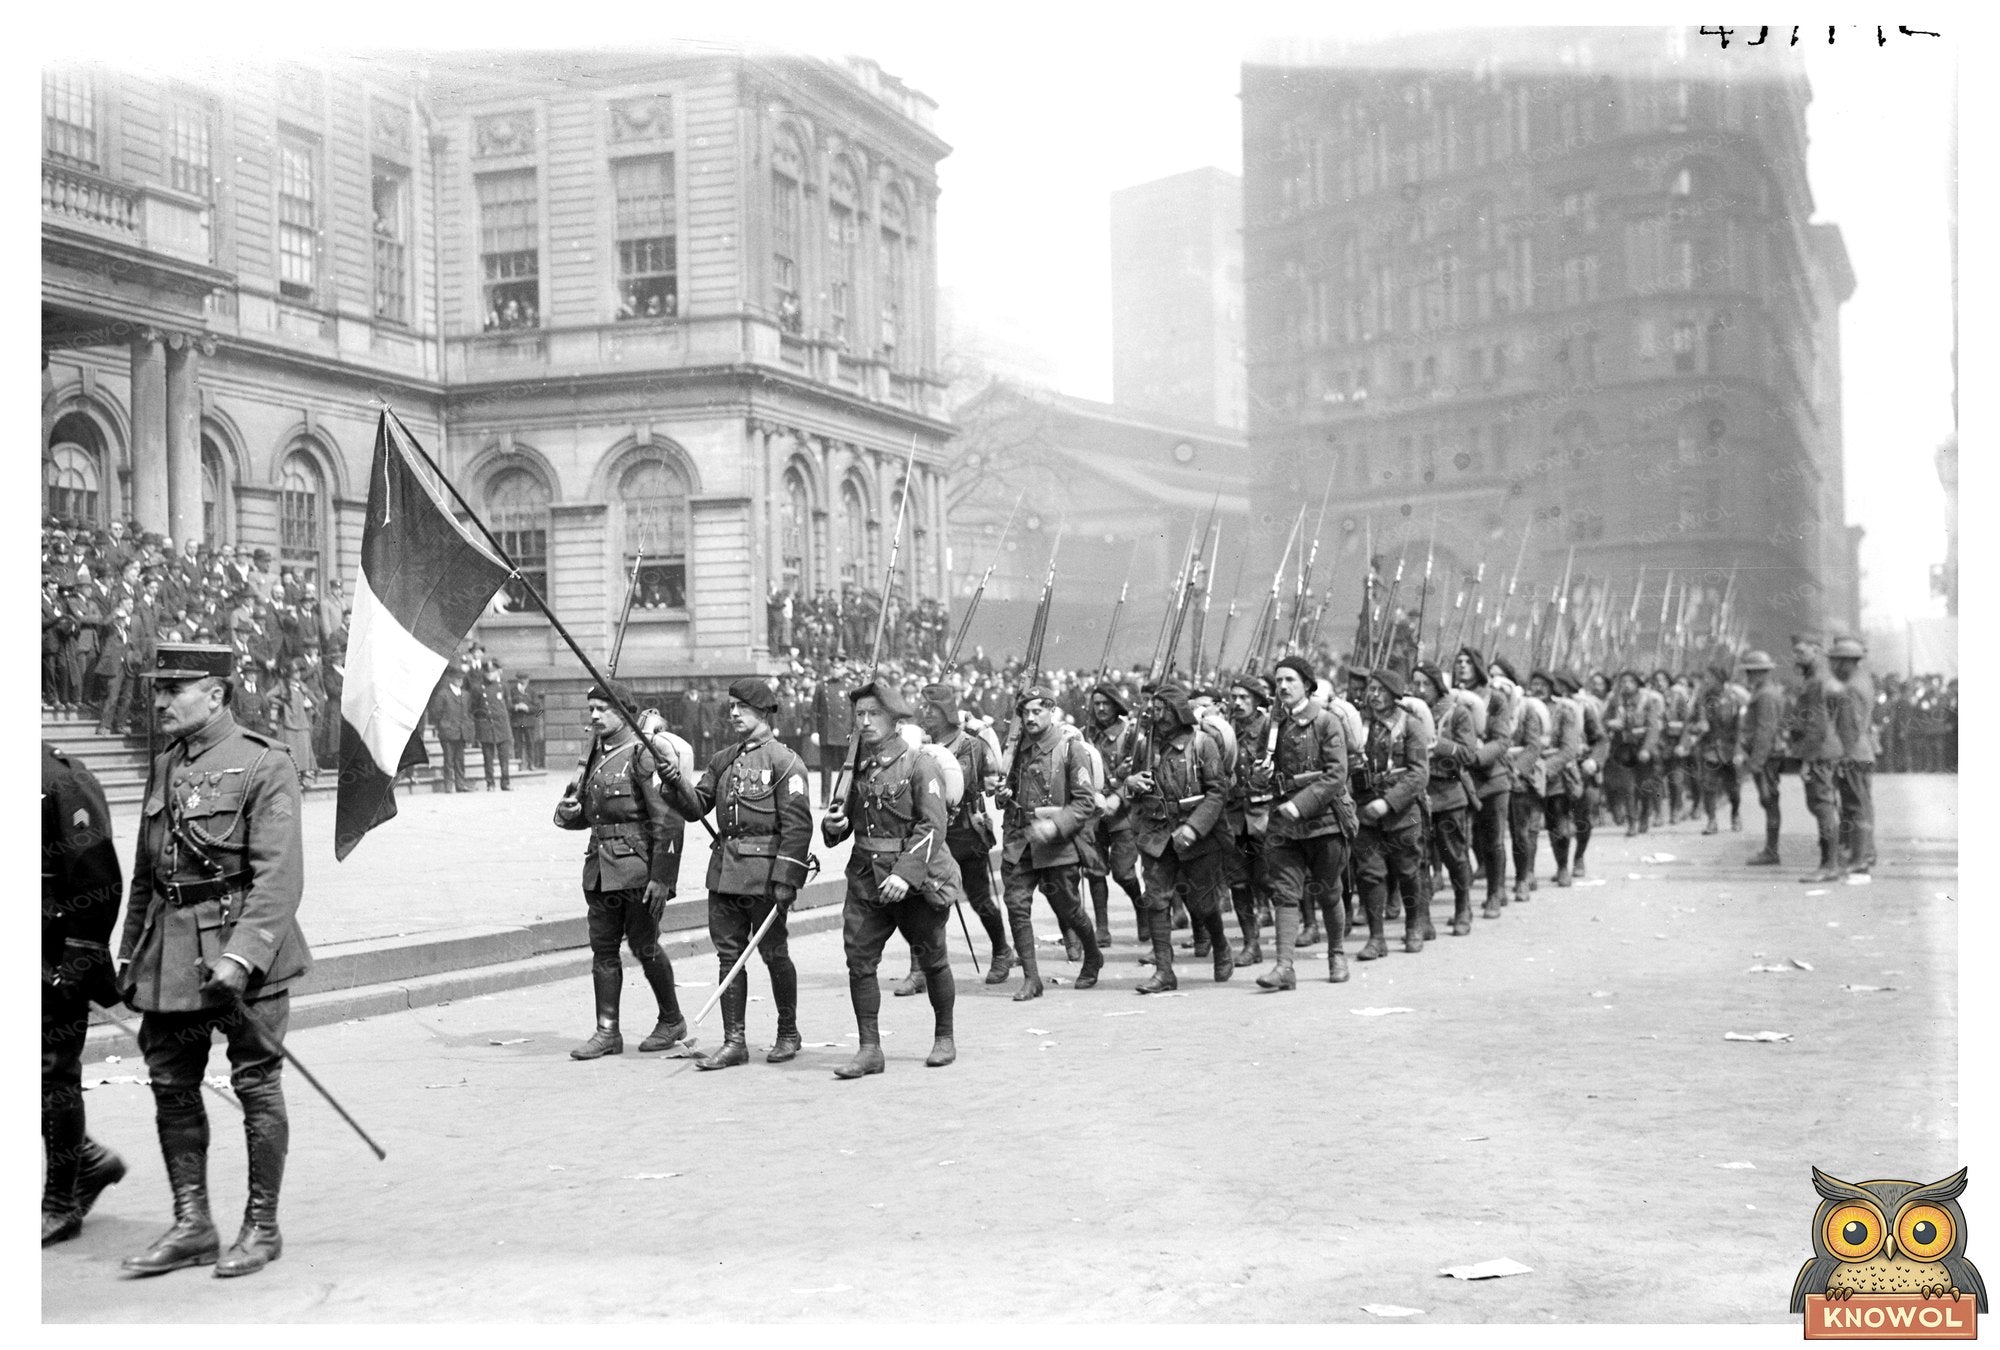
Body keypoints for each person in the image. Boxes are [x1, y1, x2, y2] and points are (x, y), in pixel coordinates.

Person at [116, 642, 311, 1278]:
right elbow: (148, 872)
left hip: (245, 951)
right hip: (169, 953)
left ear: (217, 694)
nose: (160, 701)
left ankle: (262, 1225)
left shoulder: (264, 761)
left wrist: (242, 957)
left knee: (256, 1084)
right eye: (156, 689)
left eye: (174, 690)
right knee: (172, 1085)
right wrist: (129, 954)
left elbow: (278, 875)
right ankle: (193, 1223)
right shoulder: (167, 763)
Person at [646, 678, 811, 1069]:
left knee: (774, 954)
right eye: (731, 706)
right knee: (728, 957)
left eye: (743, 706)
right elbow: (696, 806)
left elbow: (798, 826)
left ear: (765, 711)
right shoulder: (723, 759)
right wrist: (674, 782)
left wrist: (787, 879)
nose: (734, 713)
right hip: (724, 873)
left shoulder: (785, 762)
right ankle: (734, 1041)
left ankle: (788, 1032)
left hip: (765, 875)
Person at [819, 680, 962, 1075]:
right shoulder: (856, 766)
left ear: (895, 719)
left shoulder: (920, 764)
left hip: (913, 881)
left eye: (874, 714)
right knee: (859, 962)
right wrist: (832, 825)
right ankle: (869, 1049)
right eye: (860, 715)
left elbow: (932, 827)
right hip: (867, 878)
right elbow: (840, 824)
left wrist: (905, 874)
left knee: (933, 959)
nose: (864, 722)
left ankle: (944, 1037)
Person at [554, 680, 687, 1059]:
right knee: (603, 950)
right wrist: (570, 814)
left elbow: (669, 821)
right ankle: (607, 1032)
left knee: (645, 946)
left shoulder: (643, 754)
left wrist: (663, 878)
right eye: (591, 709)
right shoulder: (595, 755)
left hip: (638, 872)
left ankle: (672, 1019)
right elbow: (593, 814)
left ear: (624, 712)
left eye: (603, 708)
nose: (595, 716)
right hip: (599, 869)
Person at [43, 741, 128, 1246]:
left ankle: (60, 1202)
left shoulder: (60, 780)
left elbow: (98, 877)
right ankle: (90, 1159)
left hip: (54, 955)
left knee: (53, 1072)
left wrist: (75, 963)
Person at [1122, 682, 1234, 992]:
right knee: (1156, 900)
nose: (1158, 717)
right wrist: (1131, 783)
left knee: (1203, 903)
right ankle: (1164, 971)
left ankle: (1221, 945)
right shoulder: (1145, 747)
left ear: (1178, 712)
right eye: (1154, 711)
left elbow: (1217, 793)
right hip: (1157, 834)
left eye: (1164, 710)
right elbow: (1129, 789)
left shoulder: (1203, 744)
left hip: (1197, 836)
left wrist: (1193, 828)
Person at [994, 683, 1103, 1000]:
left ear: (1051, 712)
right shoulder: (1015, 749)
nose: (1030, 717)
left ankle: (1093, 955)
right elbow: (1007, 792)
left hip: (1058, 844)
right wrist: (1003, 796)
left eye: (1037, 711)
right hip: (1020, 839)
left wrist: (1055, 828)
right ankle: (1031, 978)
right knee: (1016, 906)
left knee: (1067, 907)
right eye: (1025, 712)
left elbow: (1085, 803)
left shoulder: (1071, 749)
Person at [1253, 655, 1355, 987]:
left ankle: (1336, 954)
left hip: (1324, 820)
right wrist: (1258, 776)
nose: (1282, 686)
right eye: (1278, 681)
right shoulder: (1272, 725)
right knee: (1284, 893)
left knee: (1328, 891)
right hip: (1284, 824)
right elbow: (1259, 772)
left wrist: (1300, 805)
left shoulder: (1327, 722)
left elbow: (1336, 775)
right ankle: (1284, 967)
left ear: (1307, 686)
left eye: (1290, 680)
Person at [903, 684, 1015, 987]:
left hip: (964, 832)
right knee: (922, 902)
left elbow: (958, 782)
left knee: (979, 898)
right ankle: (919, 970)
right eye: (924, 707)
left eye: (932, 708)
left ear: (947, 712)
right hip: (929, 832)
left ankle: (1002, 951)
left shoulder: (969, 745)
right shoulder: (918, 745)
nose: (925, 713)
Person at [1352, 668, 1430, 957]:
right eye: (1370, 689)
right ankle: (1376, 938)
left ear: (1394, 694)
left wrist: (1388, 801)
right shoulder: (1359, 724)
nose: (1372, 695)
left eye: (1379, 690)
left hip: (1405, 812)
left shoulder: (1411, 725)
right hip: (1366, 811)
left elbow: (1419, 774)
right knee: (1370, 874)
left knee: (1408, 870)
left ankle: (1413, 927)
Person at [1081, 682, 1147, 949]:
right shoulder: (1087, 735)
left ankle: (1142, 910)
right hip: (1095, 815)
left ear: (1116, 705)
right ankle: (1102, 928)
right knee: (1095, 872)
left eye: (1105, 703)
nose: (1100, 708)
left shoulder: (1130, 736)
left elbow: (1136, 774)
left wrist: (1117, 797)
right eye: (1096, 703)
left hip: (1123, 814)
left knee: (1123, 872)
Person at [1414, 662, 1478, 935]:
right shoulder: (1412, 713)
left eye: (1424, 684)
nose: (1419, 690)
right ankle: (1422, 919)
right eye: (1415, 684)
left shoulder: (1456, 713)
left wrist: (1437, 745)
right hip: (1418, 792)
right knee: (1419, 857)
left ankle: (1463, 908)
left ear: (1437, 685)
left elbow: (1468, 754)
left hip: (1449, 793)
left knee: (1454, 854)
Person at [1223, 674, 1277, 965]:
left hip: (1263, 813)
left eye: (1244, 697)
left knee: (1269, 879)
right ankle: (1251, 943)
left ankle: (1291, 936)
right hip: (1234, 815)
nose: (1238, 702)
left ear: (1257, 700)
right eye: (1234, 697)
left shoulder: (1271, 727)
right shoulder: (1226, 729)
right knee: (1239, 882)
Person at [1789, 634, 1848, 883]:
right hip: (1826, 749)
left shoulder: (1817, 681)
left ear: (1817, 651)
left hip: (1819, 751)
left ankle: (1829, 865)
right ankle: (1834, 860)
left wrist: (1807, 760)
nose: (1797, 657)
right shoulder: (1821, 678)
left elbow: (1818, 724)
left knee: (1822, 806)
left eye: (1802, 652)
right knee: (1823, 806)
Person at [1827, 636, 1876, 879]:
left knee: (1854, 809)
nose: (1833, 666)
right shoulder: (1863, 681)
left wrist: (1843, 755)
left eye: (1836, 661)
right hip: (1863, 752)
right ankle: (1864, 854)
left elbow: (1849, 727)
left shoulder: (1851, 688)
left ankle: (1859, 860)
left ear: (1847, 662)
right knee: (1862, 807)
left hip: (1853, 755)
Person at [1735, 651, 1786, 865]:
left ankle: (1771, 850)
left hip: (1766, 756)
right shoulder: (1764, 692)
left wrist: (1755, 763)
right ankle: (1770, 849)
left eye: (1752, 672)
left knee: (1769, 800)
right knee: (1768, 801)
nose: (1749, 676)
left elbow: (1765, 730)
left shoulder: (1765, 695)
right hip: (1766, 755)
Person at [428, 661, 475, 792]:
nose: (460, 681)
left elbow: (468, 714)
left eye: (461, 679)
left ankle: (460, 784)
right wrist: (444, 724)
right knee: (448, 760)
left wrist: (468, 731)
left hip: (461, 732)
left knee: (460, 760)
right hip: (448, 732)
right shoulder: (443, 694)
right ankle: (448, 785)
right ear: (451, 679)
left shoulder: (465, 695)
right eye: (457, 678)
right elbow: (435, 712)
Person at [473, 663, 511, 791]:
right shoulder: (478, 688)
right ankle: (490, 783)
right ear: (484, 673)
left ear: (497, 672)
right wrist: (481, 722)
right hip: (486, 727)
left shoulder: (503, 686)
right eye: (487, 673)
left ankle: (505, 783)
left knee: (504, 758)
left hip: (502, 726)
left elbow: (508, 704)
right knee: (488, 758)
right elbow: (474, 708)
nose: (490, 675)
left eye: (492, 672)